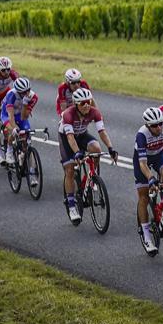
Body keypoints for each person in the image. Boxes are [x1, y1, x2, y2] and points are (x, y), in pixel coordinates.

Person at [57, 86, 114, 222]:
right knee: (70, 170)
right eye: (83, 103)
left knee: (96, 149)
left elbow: (102, 132)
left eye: (88, 101)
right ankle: (71, 205)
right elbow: (70, 137)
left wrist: (111, 148)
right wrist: (77, 153)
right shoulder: (68, 114)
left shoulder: (94, 112)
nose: (87, 105)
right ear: (76, 104)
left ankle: (91, 177)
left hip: (82, 135)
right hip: (67, 138)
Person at [132, 107, 163, 256]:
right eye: (154, 125)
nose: (159, 127)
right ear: (148, 125)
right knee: (144, 196)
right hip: (142, 161)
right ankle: (147, 235)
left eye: (160, 123)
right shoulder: (142, 135)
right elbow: (143, 164)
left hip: (159, 154)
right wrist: (151, 178)